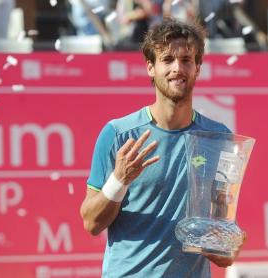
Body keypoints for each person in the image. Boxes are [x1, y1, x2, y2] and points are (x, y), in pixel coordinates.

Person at [80, 18, 247, 277]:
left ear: (198, 68)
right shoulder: (117, 135)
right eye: (167, 59)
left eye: (186, 60)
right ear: (151, 68)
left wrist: (225, 246)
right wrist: (119, 180)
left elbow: (223, 245)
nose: (177, 68)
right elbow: (91, 223)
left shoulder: (219, 138)